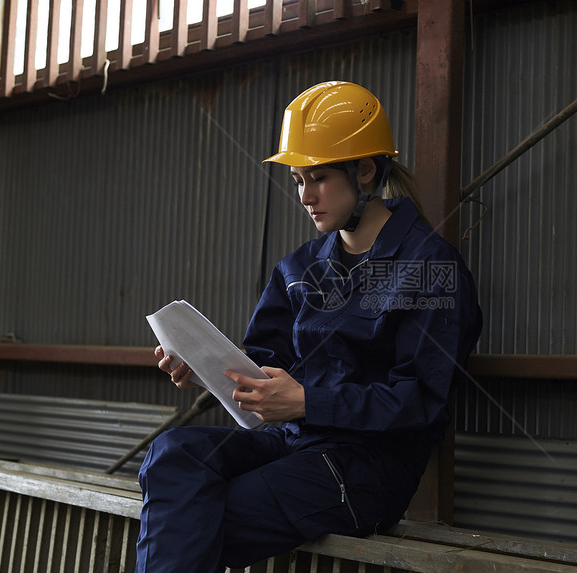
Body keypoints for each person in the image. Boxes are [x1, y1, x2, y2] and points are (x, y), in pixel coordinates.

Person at [135, 81, 482, 572]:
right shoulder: (299, 268)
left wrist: (307, 400)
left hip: (366, 467)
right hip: (291, 440)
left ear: (364, 171)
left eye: (317, 178)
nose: (305, 196)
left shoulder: (429, 268)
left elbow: (419, 401)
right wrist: (208, 369)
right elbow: (262, 366)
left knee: (196, 515)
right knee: (173, 455)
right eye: (298, 180)